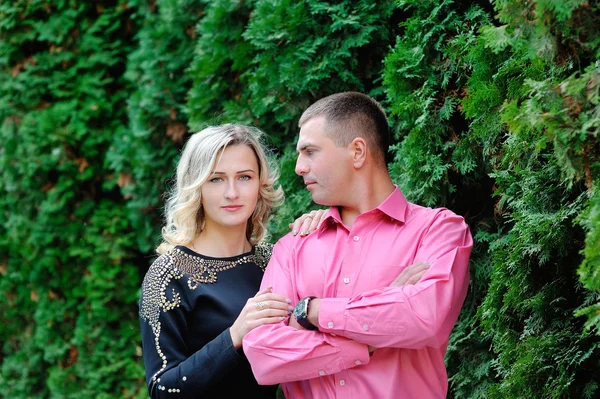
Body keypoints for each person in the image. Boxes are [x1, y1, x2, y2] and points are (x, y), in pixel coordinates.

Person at [243, 92, 473, 398]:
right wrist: (370, 338)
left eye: (310, 152)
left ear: (358, 152)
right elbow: (264, 355)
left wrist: (309, 310)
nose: (299, 167)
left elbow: (424, 318)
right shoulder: (293, 247)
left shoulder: (438, 230)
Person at [138, 124, 326, 398]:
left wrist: (322, 233)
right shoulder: (169, 275)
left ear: (260, 184)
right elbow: (162, 389)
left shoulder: (277, 261)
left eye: (244, 177)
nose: (232, 193)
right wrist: (234, 335)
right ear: (196, 186)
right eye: (216, 179)